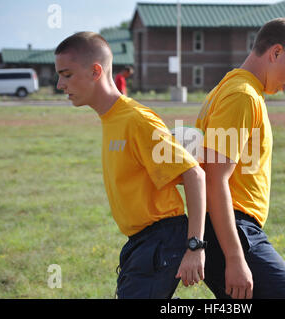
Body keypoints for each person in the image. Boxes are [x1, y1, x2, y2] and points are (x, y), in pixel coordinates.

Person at [54, 32, 207, 299]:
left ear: (95, 71)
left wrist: (195, 248)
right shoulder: (110, 118)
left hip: (161, 240)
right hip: (141, 243)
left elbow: (194, 175)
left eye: (66, 74)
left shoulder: (136, 120)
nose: (59, 84)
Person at [196, 18, 285, 299]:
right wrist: (235, 258)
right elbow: (215, 178)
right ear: (275, 53)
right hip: (234, 231)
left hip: (229, 230)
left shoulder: (229, 88)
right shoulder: (242, 95)